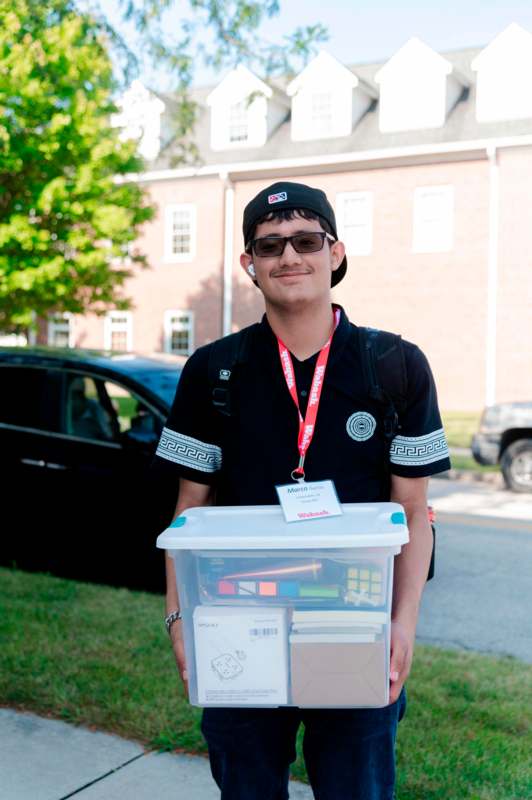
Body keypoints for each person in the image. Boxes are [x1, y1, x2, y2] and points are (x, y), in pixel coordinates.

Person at [152, 181, 451, 800]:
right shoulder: (213, 370)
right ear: (249, 265)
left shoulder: (394, 365)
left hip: (353, 624)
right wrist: (180, 621)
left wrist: (403, 625)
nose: (289, 257)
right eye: (270, 245)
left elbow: (414, 512)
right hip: (238, 621)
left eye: (306, 240)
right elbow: (189, 512)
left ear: (335, 253)